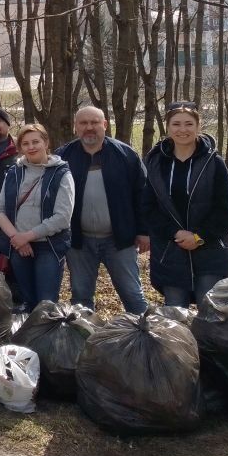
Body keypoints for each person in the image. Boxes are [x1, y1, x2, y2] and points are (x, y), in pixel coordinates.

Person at [55, 105, 150, 315]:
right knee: (81, 298)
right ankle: (85, 340)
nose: (89, 127)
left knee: (133, 295)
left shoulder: (126, 155)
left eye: (95, 122)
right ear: (75, 127)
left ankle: (149, 338)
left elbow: (142, 195)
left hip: (120, 240)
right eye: (83, 123)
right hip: (78, 242)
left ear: (105, 125)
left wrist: (144, 231)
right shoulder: (62, 158)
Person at [143, 102, 228, 307]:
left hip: (209, 250)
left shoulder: (214, 163)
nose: (182, 129)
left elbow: (225, 211)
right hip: (171, 251)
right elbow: (149, 208)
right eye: (176, 124)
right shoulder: (156, 164)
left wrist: (198, 237)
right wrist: (175, 233)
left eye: (189, 124)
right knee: (175, 313)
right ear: (168, 127)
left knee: (209, 311)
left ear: (198, 126)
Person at [0, 123, 74, 311]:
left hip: (49, 246)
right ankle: (28, 338)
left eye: (36, 142)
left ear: (46, 143)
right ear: (20, 147)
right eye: (26, 143)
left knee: (46, 304)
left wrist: (26, 236)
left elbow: (62, 217)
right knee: (27, 301)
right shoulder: (14, 172)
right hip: (19, 247)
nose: (31, 147)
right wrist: (16, 238)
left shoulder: (61, 172)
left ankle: (46, 339)